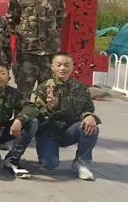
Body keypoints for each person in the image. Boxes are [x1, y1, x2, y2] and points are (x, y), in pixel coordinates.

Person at [33, 53, 100, 181]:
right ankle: (46, 152)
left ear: (72, 67)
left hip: (69, 131)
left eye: (66, 65)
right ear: (52, 67)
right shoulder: (43, 88)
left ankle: (82, 163)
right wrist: (49, 108)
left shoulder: (80, 88)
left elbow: (88, 108)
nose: (62, 68)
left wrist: (89, 116)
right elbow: (35, 115)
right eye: (59, 65)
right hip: (48, 132)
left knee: (91, 126)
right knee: (50, 164)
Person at [7, 0, 66, 96]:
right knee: (23, 93)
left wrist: (51, 36)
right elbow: (11, 21)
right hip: (27, 53)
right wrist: (25, 35)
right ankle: (23, 112)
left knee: (48, 93)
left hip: (49, 53)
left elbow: (60, 19)